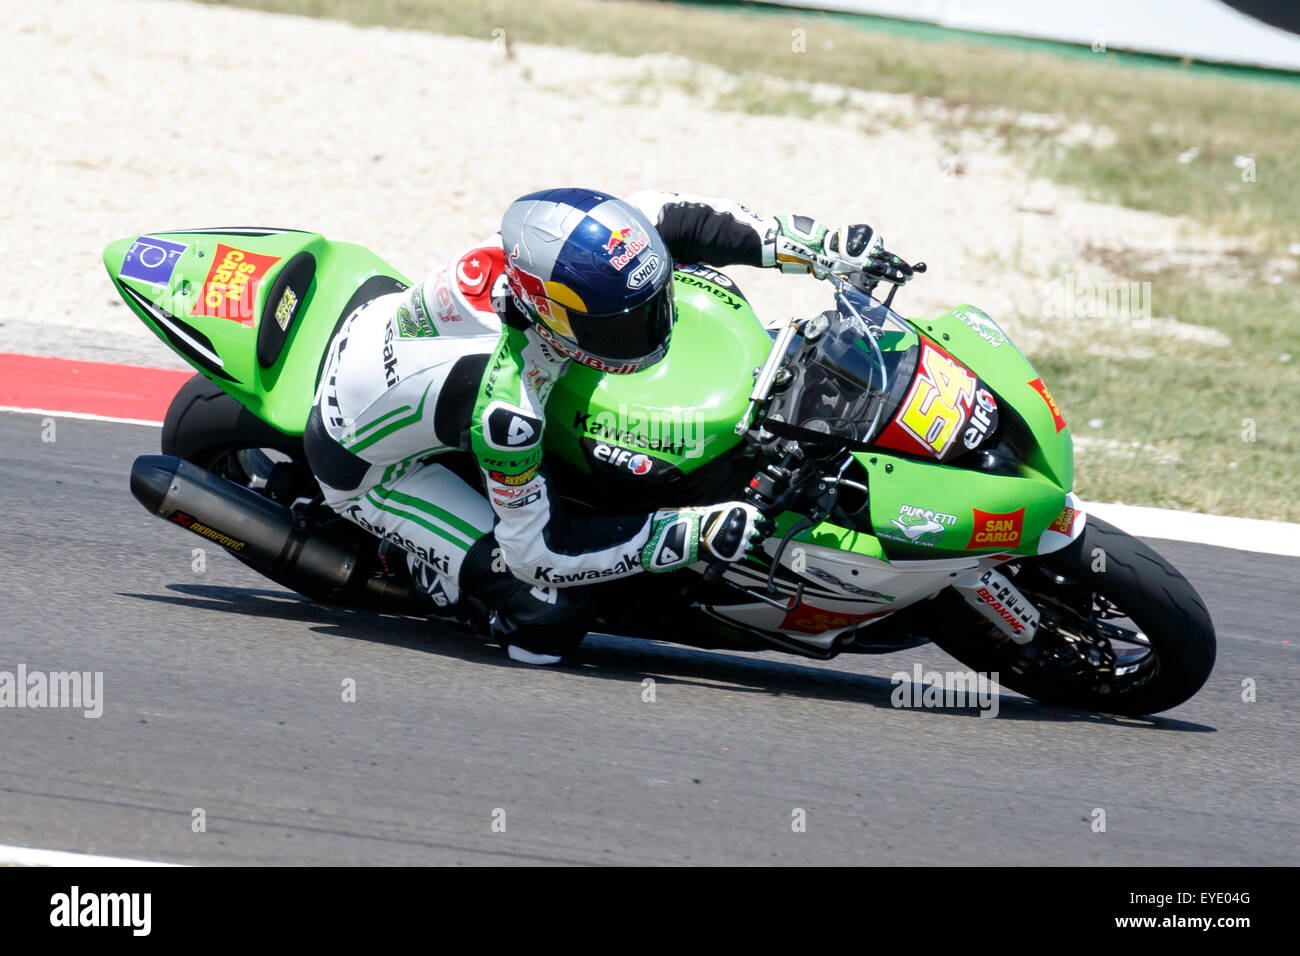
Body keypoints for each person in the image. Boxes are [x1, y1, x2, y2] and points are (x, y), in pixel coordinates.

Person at [304, 187, 900, 664]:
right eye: (620, 327)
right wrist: (693, 533)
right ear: (546, 312)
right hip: (370, 468)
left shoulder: (585, 241)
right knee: (550, 613)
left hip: (392, 332)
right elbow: (537, 551)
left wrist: (821, 248)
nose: (647, 329)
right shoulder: (507, 407)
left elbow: (684, 219)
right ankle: (441, 580)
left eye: (650, 306)